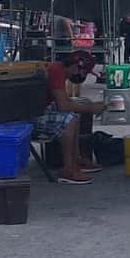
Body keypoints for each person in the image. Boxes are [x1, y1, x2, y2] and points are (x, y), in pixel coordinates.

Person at [34, 50, 104, 185]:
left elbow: (65, 101)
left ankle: (76, 159)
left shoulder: (59, 71)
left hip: (38, 110)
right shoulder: (56, 71)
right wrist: (91, 108)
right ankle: (68, 169)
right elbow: (63, 106)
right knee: (69, 119)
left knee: (74, 115)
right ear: (75, 66)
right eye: (83, 72)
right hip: (31, 117)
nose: (82, 76)